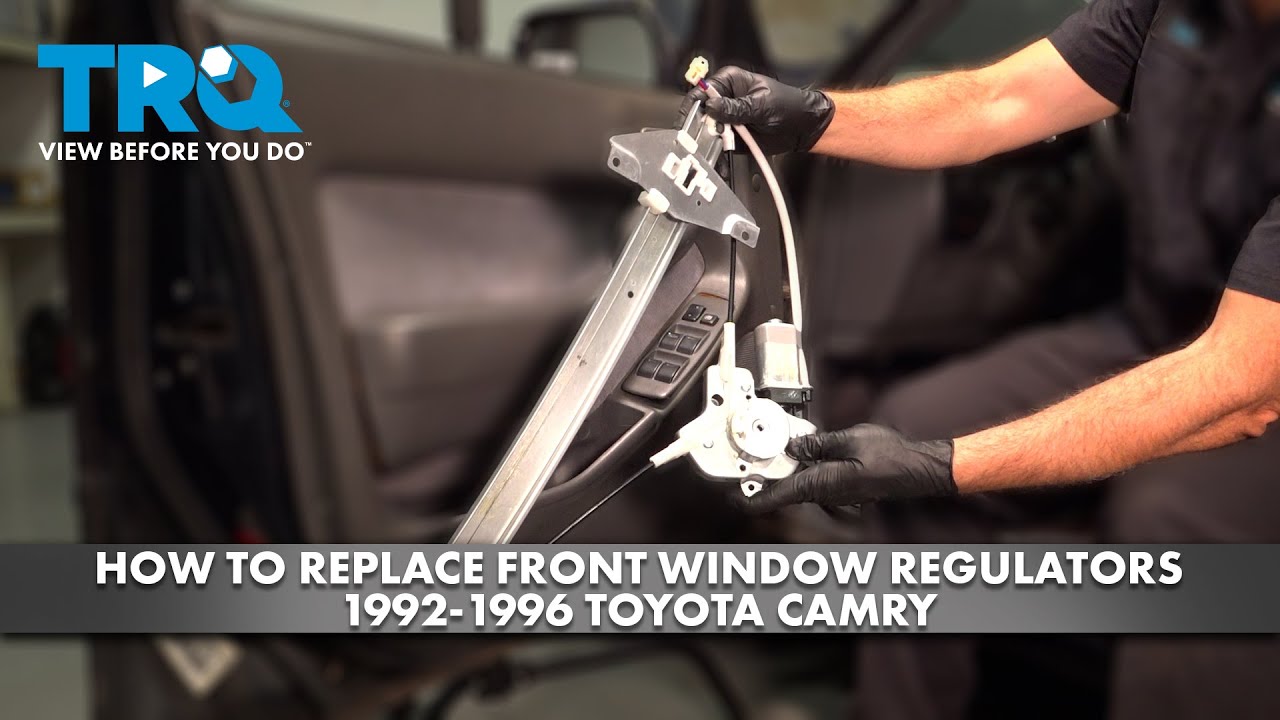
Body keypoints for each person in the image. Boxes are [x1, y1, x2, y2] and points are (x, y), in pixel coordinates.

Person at [685, 0, 1280, 718]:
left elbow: (1239, 383)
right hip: (1160, 326)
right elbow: (1004, 99)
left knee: (1174, 520)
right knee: (913, 422)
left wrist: (946, 465)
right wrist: (818, 117)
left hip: (1256, 369)